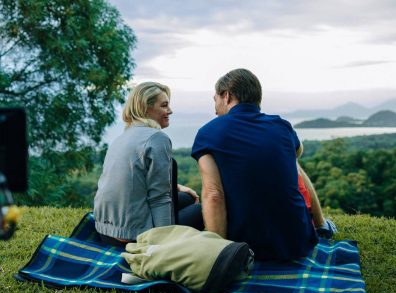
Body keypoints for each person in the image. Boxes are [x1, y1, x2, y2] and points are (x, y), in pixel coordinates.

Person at [191, 68, 335, 261]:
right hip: (296, 244)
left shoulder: (208, 133)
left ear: (227, 96)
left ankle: (223, 254)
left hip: (245, 248)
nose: (215, 107)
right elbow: (296, 154)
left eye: (215, 99)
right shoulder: (281, 126)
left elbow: (213, 194)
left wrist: (220, 255)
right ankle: (321, 225)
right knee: (294, 165)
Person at [94, 82, 203, 246]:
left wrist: (177, 187)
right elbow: (159, 198)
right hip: (132, 235)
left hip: (105, 230)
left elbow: (131, 178)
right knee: (202, 209)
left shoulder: (122, 138)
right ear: (146, 108)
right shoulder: (157, 138)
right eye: (164, 105)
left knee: (186, 198)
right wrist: (163, 242)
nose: (170, 111)